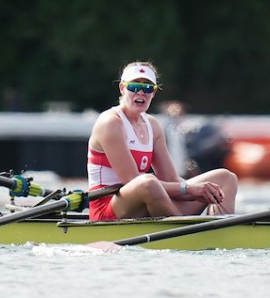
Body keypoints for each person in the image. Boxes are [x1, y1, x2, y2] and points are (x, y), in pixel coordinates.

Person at [86, 61, 238, 220]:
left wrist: (199, 189)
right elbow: (131, 181)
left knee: (226, 178)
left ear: (154, 93)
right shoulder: (110, 123)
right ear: (122, 88)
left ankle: (219, 230)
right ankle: (184, 230)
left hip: (145, 200)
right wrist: (190, 190)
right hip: (107, 209)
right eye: (134, 87)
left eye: (147, 88)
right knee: (148, 182)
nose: (141, 93)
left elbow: (171, 179)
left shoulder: (152, 125)